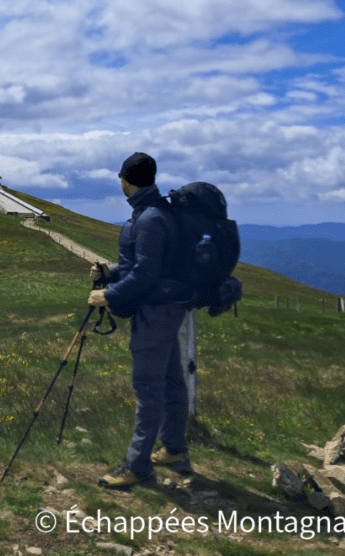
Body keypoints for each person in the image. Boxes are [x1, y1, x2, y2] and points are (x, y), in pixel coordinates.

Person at [87, 152, 194, 488]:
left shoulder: (148, 219)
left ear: (126, 180)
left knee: (148, 388)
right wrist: (111, 272)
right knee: (172, 378)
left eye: (121, 178)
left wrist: (108, 295)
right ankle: (174, 450)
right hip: (171, 306)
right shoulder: (161, 213)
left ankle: (137, 466)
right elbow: (149, 265)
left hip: (155, 310)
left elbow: (146, 275)